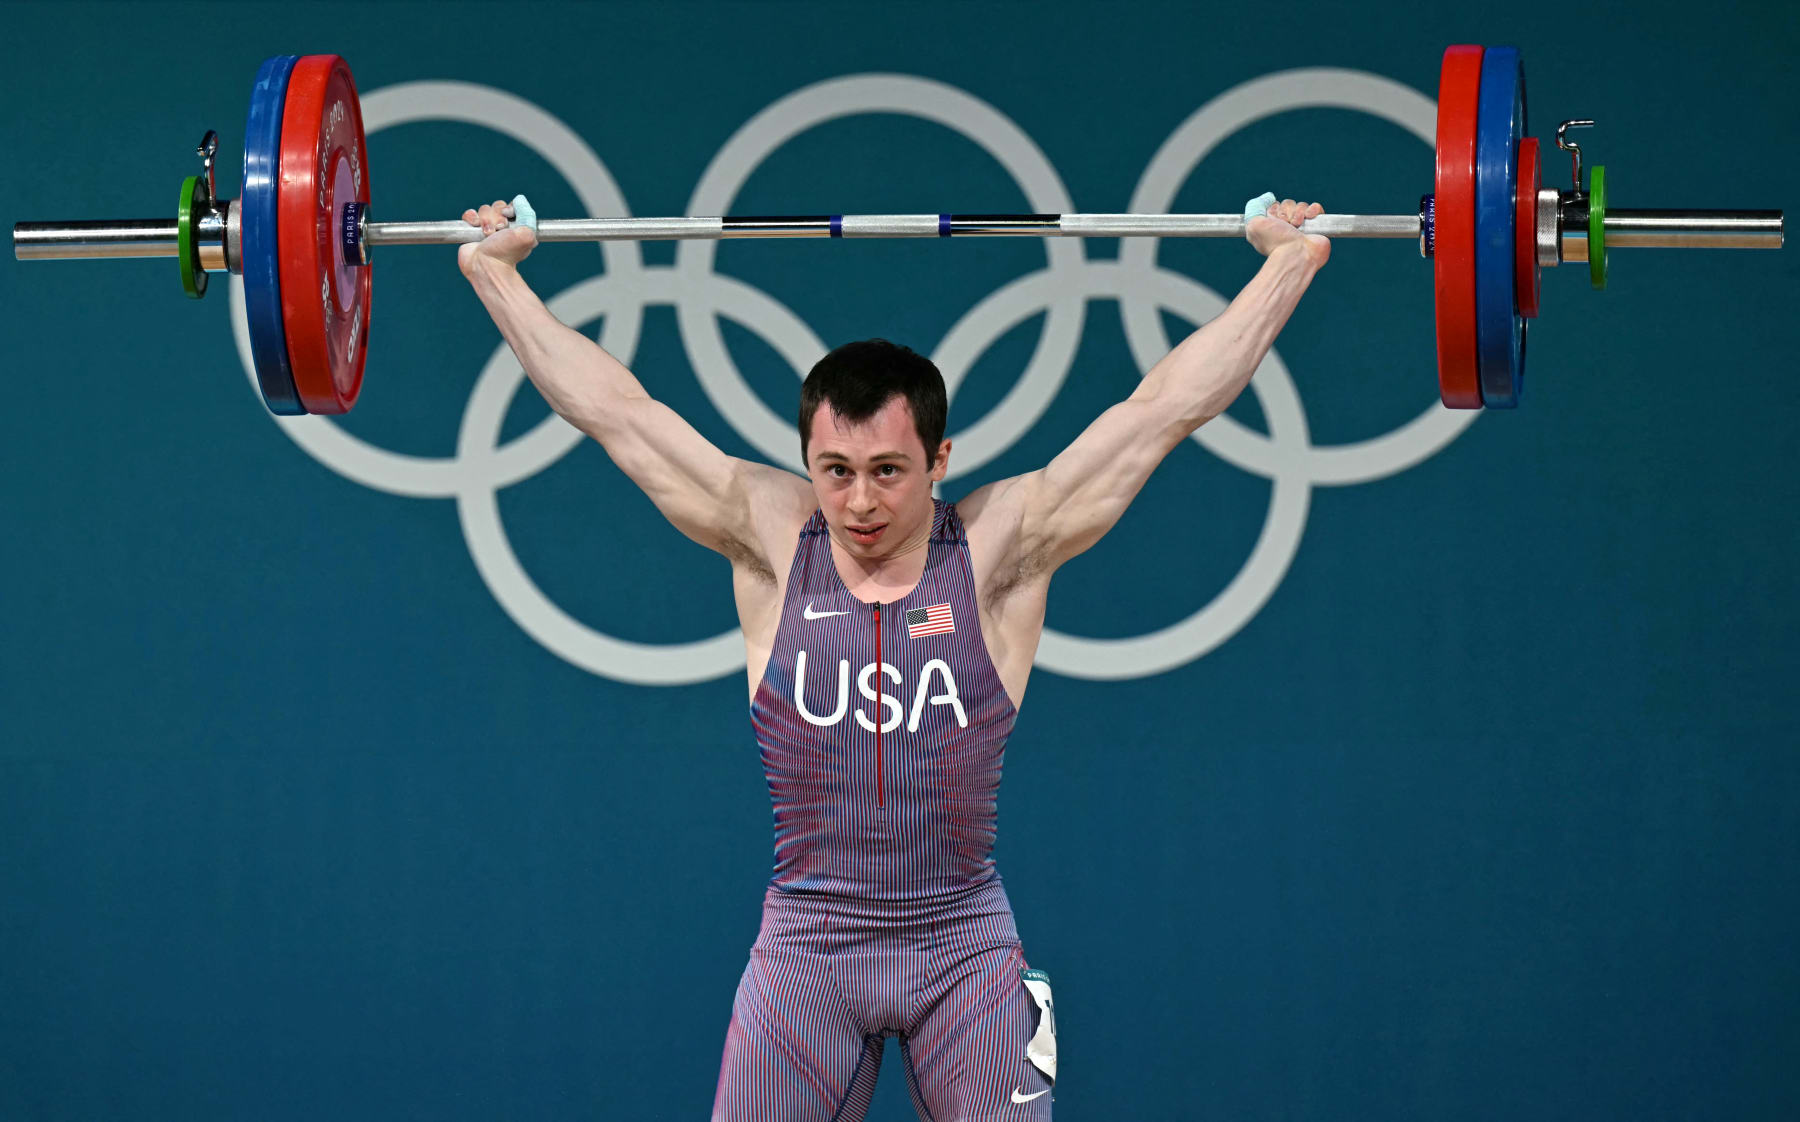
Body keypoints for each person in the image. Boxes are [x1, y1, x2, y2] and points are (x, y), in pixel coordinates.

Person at [459, 195, 1330, 1121]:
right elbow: (615, 414)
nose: (860, 500)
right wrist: (494, 275)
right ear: (806, 461)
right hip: (806, 952)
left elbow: (1161, 411)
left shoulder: (1002, 549)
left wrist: (1288, 264)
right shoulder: (767, 537)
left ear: (939, 458)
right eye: (835, 470)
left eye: (887, 471)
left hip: (962, 946)